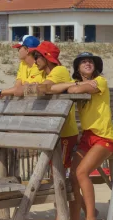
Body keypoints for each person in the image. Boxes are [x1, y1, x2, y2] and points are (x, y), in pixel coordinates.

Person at [49, 51, 113, 220]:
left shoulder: (100, 81)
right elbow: (53, 88)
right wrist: (72, 84)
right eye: (84, 62)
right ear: (78, 68)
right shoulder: (79, 81)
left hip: (104, 136)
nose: (88, 64)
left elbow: (78, 89)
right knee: (72, 176)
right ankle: (74, 218)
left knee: (81, 173)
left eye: (90, 62)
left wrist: (74, 85)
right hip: (87, 136)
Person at [29, 41, 79, 171]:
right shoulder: (45, 74)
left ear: (46, 57)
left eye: (37, 57)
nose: (35, 61)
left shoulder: (59, 70)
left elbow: (37, 89)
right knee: (53, 170)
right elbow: (26, 89)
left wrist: (33, 88)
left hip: (65, 132)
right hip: (54, 129)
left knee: (59, 170)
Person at [0, 34, 42, 101]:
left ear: (27, 50)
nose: (18, 51)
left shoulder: (39, 67)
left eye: (19, 48)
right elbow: (17, 86)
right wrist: (5, 93)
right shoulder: (23, 63)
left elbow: (22, 89)